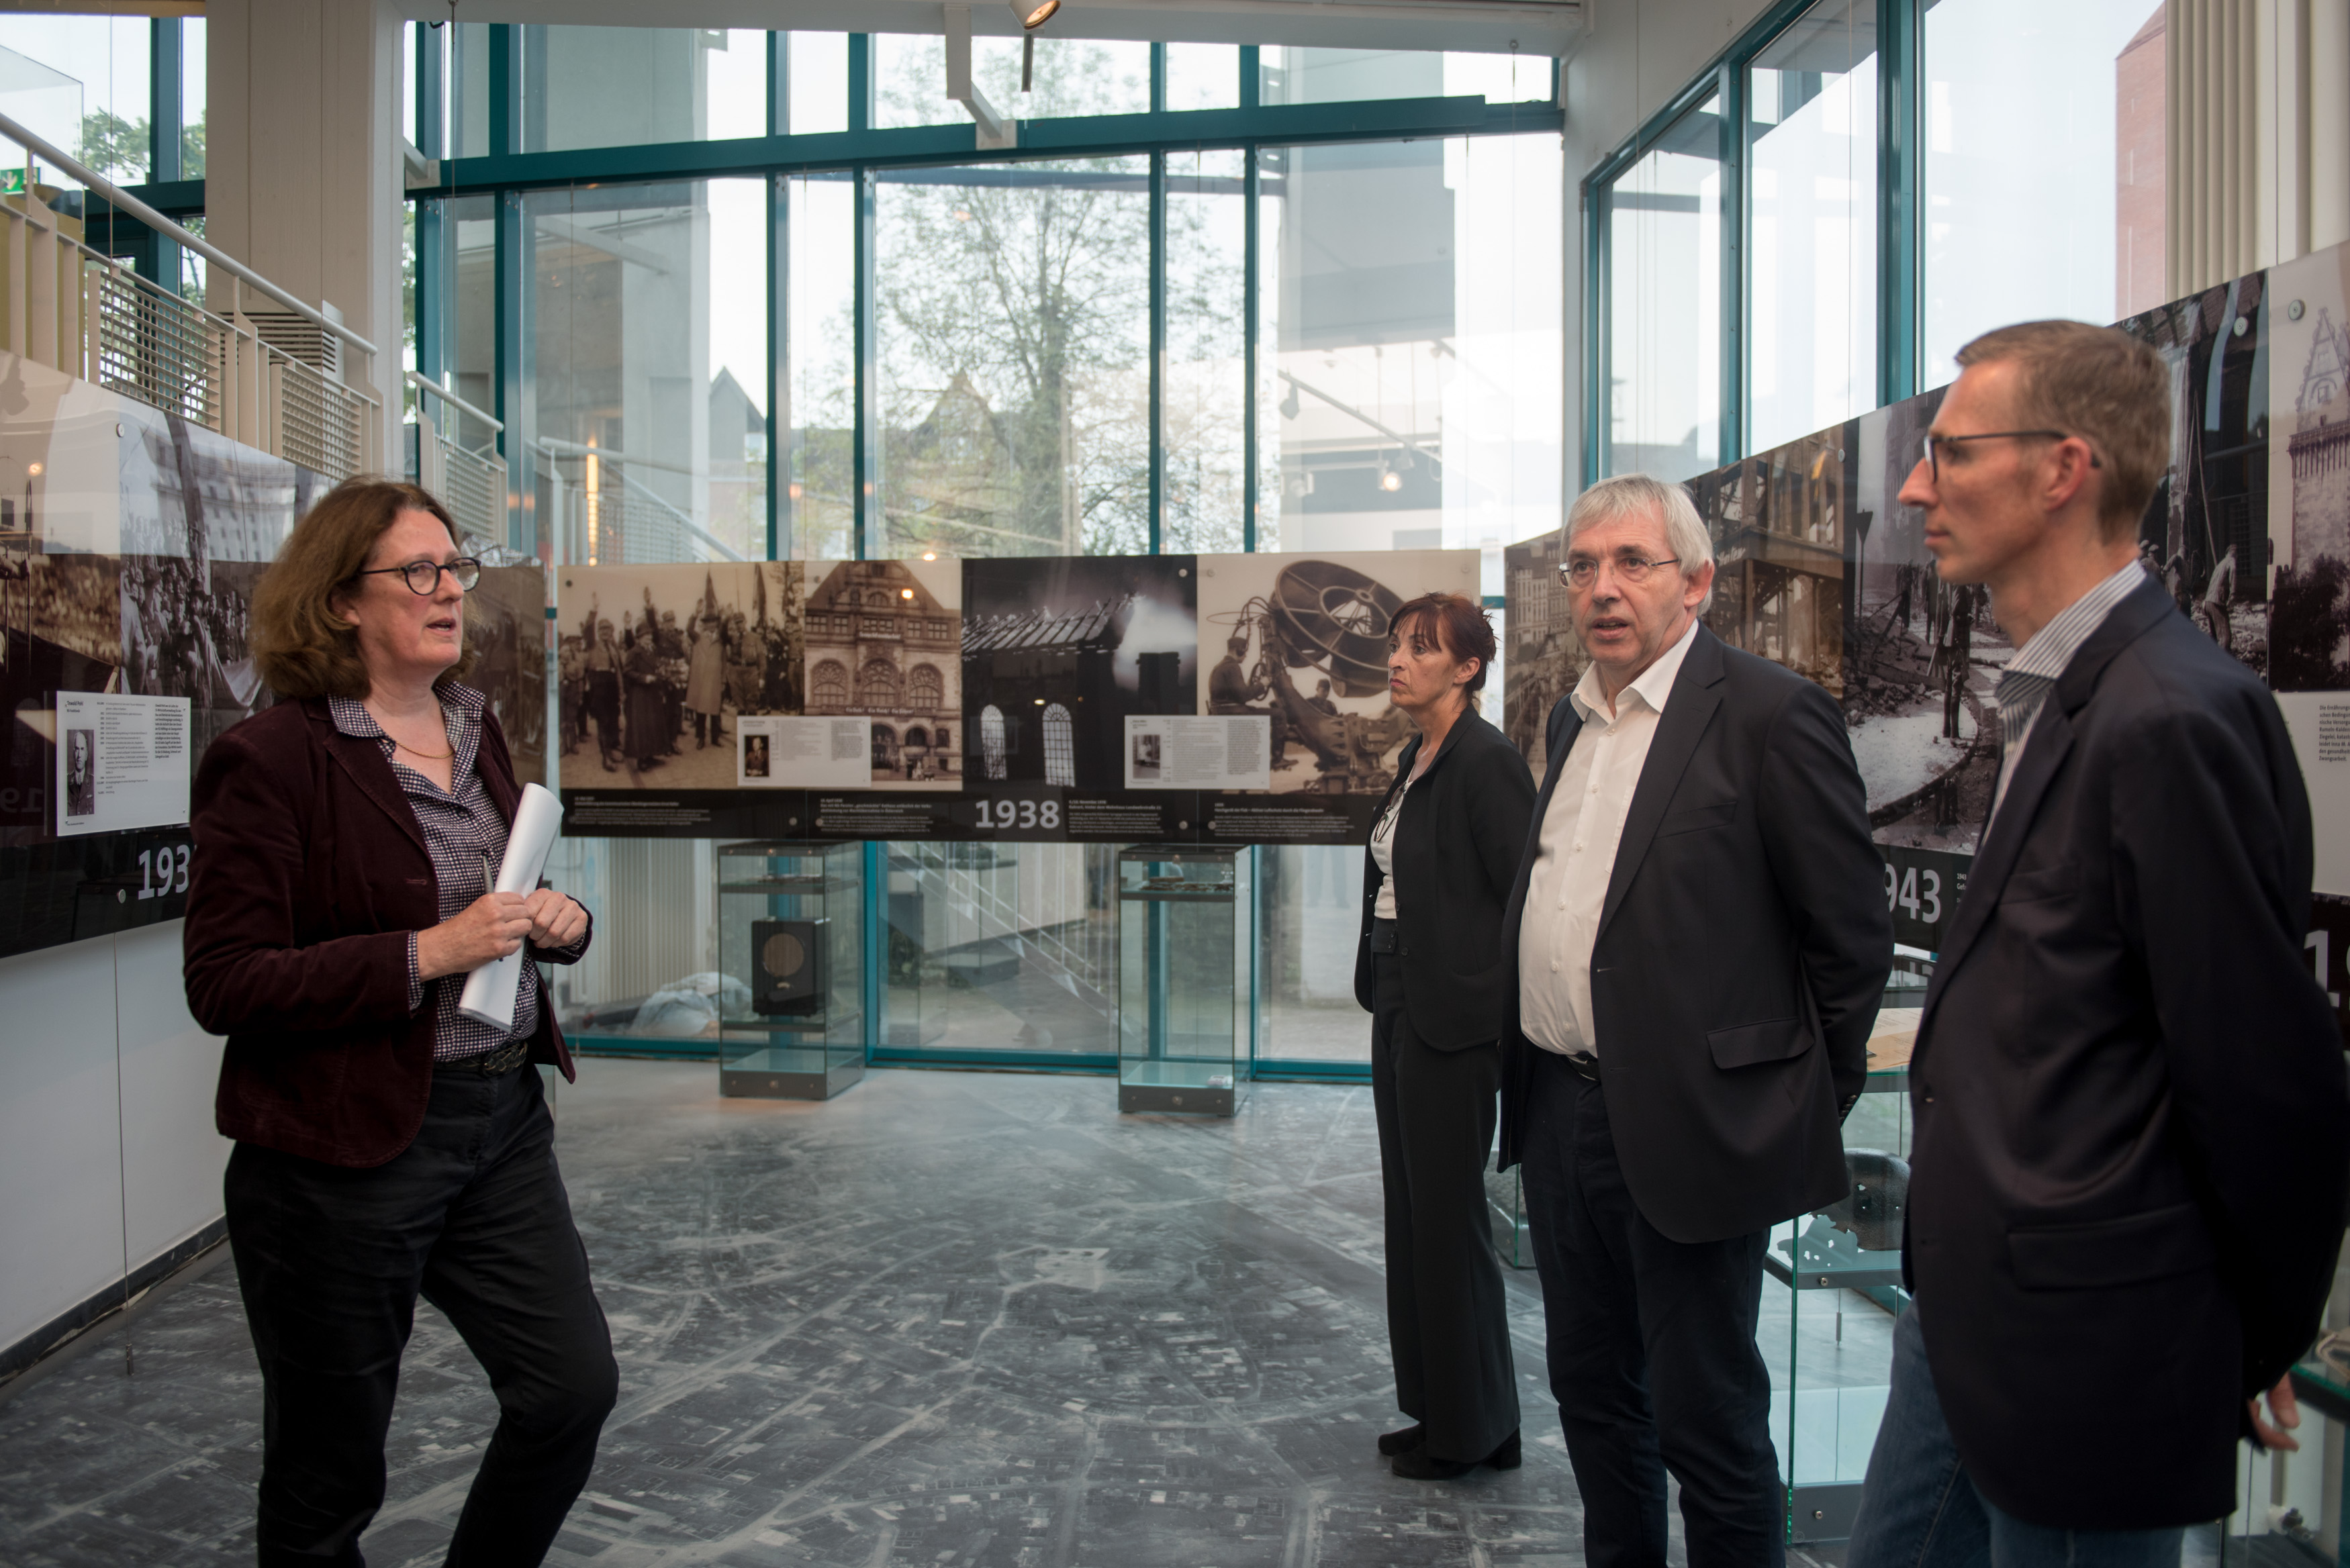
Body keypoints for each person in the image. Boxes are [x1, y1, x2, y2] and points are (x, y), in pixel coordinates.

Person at [1846, 321, 2350, 1567]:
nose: (1917, 487)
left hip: (2090, 1343)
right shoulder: (2067, 693)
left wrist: (2243, 1334)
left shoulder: (2170, 715)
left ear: (2064, 468)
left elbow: (2259, 1075)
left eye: (1952, 453)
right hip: (1979, 1312)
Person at [183, 478, 614, 1567]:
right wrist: (427, 953)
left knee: (570, 1389)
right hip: (343, 1150)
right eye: (415, 571)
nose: (447, 589)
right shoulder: (272, 760)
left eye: (454, 568)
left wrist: (554, 923)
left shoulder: (478, 731)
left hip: (499, 1122)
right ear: (339, 603)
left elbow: (495, 906)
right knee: (330, 1478)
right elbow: (226, 982)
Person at [1499, 473, 1892, 1568]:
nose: (1602, 588)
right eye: (1583, 566)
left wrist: (1781, 1106)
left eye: (1633, 562)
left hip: (1692, 1130)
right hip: (1559, 1115)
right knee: (1594, 1396)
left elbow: (1849, 947)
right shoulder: (1573, 721)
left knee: (1706, 1422)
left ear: (1697, 581)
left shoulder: (1770, 715)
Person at [1353, 592, 1536, 1480]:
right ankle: (1445, 1411)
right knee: (1414, 1217)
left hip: (1452, 1020)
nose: (1399, 660)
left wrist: (1492, 1012)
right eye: (1395, 646)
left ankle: (1476, 1431)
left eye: (1421, 649)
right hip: (1397, 995)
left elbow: (1523, 903)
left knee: (1449, 1221)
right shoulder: (1417, 755)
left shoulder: (1486, 763)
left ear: (1467, 668)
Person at [687, 608, 726, 748]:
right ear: (704, 624)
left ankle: (715, 738)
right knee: (701, 710)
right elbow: (689, 629)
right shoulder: (698, 637)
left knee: (715, 711)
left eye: (713, 622)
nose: (710, 625)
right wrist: (695, 614)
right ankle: (701, 738)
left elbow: (724, 662)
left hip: (715, 680)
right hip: (702, 680)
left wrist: (723, 680)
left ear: (716, 623)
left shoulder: (721, 640)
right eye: (708, 622)